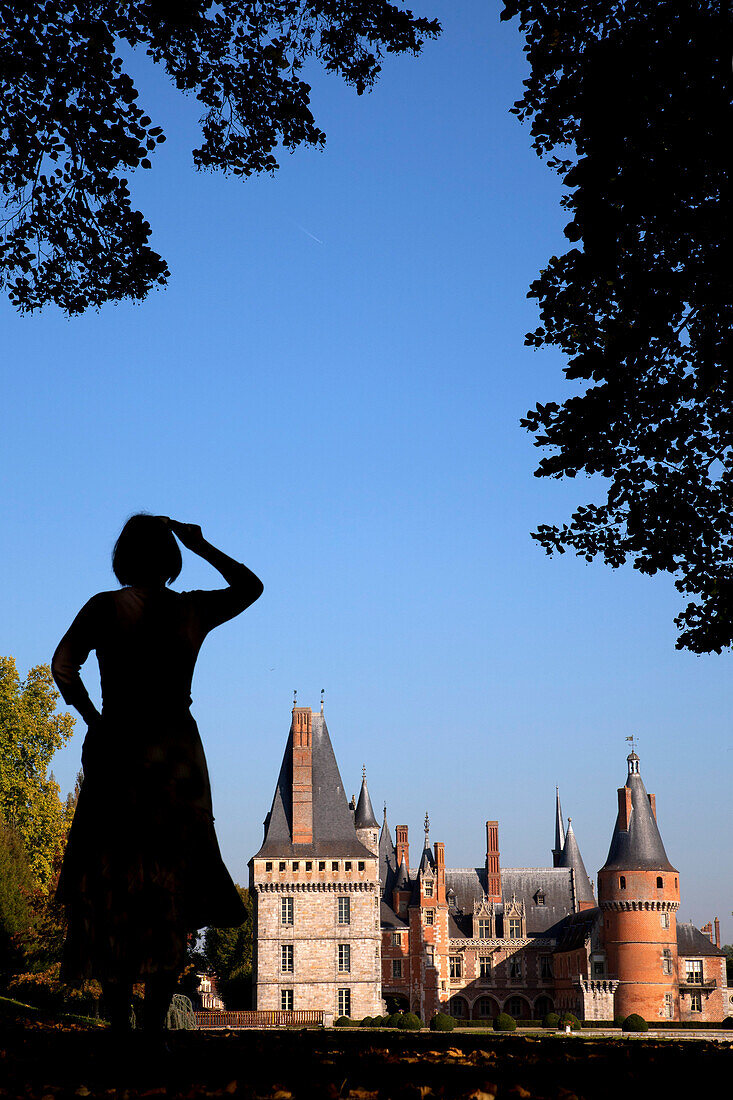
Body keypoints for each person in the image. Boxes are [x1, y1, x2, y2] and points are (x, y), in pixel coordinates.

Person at [51, 515, 263, 1031]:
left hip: (118, 751)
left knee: (115, 884)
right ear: (171, 558)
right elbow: (250, 587)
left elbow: (63, 666)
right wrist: (202, 543)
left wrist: (94, 718)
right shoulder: (190, 609)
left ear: (124, 557)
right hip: (176, 756)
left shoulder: (105, 608)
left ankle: (120, 1022)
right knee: (172, 887)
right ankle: (151, 1030)